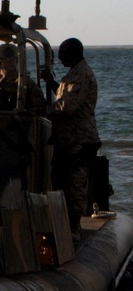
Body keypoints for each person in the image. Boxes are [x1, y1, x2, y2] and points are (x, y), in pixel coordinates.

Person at [40, 37, 100, 241]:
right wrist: (51, 83)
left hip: (79, 140)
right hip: (67, 140)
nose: (60, 58)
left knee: (75, 185)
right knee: (61, 181)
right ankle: (65, 224)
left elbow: (67, 106)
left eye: (62, 54)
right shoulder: (74, 74)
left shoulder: (81, 75)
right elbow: (64, 95)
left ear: (73, 54)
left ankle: (74, 228)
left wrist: (43, 111)